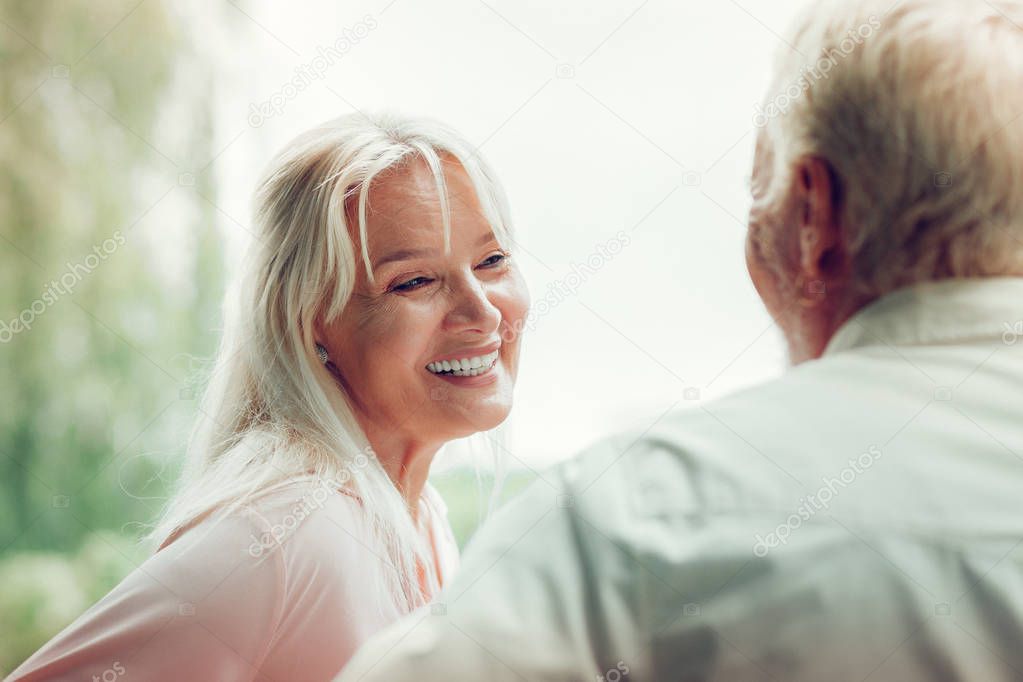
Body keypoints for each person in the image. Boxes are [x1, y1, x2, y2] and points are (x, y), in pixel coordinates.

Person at [338, 1, 1023, 679]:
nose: (481, 311)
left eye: (761, 190)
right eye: (417, 279)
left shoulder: (633, 521)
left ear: (812, 215)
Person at [8, 112, 530, 681]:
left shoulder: (421, 518)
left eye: (492, 260)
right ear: (311, 324)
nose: (482, 312)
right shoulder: (290, 535)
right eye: (413, 282)